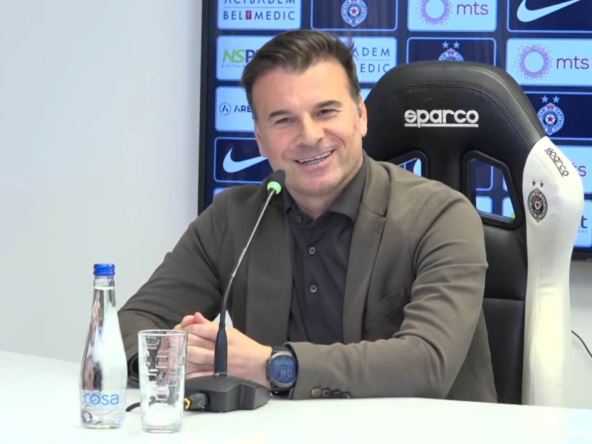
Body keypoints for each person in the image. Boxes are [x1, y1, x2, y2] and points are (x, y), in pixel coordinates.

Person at [119, 30, 497, 402]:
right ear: (260, 138)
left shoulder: (442, 216)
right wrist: (181, 358)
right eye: (284, 120)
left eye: (325, 111)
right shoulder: (233, 218)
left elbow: (426, 364)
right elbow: (129, 326)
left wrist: (272, 365)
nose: (310, 135)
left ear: (360, 116)